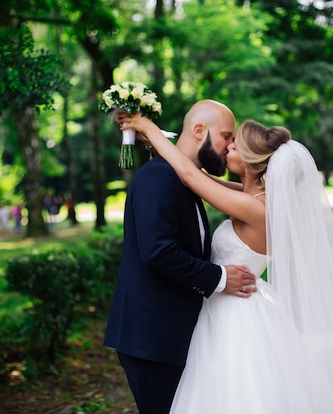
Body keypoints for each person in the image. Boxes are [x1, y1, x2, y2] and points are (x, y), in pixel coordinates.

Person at [119, 114, 333, 414]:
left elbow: (191, 177)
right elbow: (196, 176)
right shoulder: (254, 198)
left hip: (235, 312)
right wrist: (156, 143)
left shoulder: (254, 208)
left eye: (235, 144)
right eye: (228, 139)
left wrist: (149, 127)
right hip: (230, 305)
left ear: (249, 162)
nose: (229, 147)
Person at [103, 100, 259, 414]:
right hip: (151, 339)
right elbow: (158, 251)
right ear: (199, 130)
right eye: (226, 136)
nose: (230, 146)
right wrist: (221, 277)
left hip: (173, 333)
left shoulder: (187, 179)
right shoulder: (160, 178)